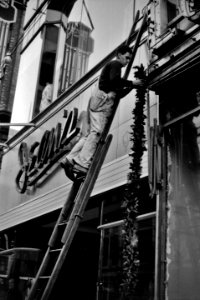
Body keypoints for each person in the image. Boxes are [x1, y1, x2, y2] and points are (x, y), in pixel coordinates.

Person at [60, 45, 145, 181]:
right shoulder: (116, 64)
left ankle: (70, 158)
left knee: (90, 135)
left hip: (99, 101)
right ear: (119, 55)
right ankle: (82, 163)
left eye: (129, 59)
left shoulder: (113, 68)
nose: (127, 61)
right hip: (102, 103)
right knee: (97, 132)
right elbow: (115, 82)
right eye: (126, 57)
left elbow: (118, 92)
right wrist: (132, 83)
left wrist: (131, 86)